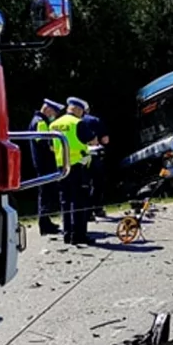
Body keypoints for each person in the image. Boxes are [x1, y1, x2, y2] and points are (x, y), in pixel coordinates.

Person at [48, 97, 98, 244]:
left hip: (61, 167)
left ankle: (67, 233)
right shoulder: (77, 123)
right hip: (77, 165)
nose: (82, 115)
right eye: (82, 111)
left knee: (65, 200)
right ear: (77, 109)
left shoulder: (54, 124)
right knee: (79, 201)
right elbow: (93, 141)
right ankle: (78, 236)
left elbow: (51, 147)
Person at [28, 99, 65, 235]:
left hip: (41, 163)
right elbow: (45, 144)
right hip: (45, 163)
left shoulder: (37, 120)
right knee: (45, 194)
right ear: (47, 109)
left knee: (46, 194)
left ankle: (46, 222)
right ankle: (44, 224)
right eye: (54, 112)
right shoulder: (41, 122)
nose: (54, 115)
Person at [80, 102, 110, 220]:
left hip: (81, 157)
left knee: (84, 184)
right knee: (98, 183)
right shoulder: (94, 120)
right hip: (95, 155)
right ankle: (97, 208)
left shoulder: (74, 122)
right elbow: (105, 140)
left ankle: (86, 212)